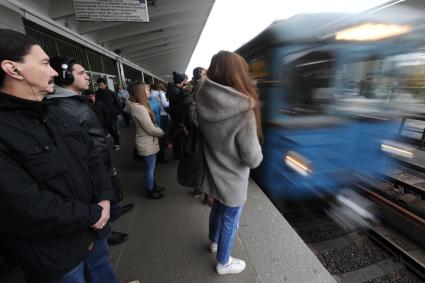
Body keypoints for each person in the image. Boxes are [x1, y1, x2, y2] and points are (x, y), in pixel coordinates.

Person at [0, 29, 117, 283]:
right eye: (44, 63)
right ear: (13, 69)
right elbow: (24, 206)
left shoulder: (56, 113)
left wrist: (105, 199)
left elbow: (94, 159)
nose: (54, 72)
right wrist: (94, 214)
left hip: (94, 234)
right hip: (56, 257)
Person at [48, 56, 133, 246]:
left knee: (109, 194)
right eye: (81, 73)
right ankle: (105, 232)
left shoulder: (74, 101)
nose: (88, 77)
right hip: (93, 167)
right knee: (99, 200)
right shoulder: (62, 106)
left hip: (99, 162)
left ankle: (115, 211)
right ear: (65, 77)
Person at [196, 51, 263, 275]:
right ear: (237, 74)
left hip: (212, 169)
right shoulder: (243, 110)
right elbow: (252, 158)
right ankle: (223, 262)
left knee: (217, 207)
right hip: (233, 177)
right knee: (230, 218)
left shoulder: (202, 98)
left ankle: (214, 242)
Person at [126, 83, 165, 199]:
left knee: (150, 168)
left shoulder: (139, 105)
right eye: (146, 90)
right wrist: (162, 133)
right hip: (147, 142)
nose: (149, 92)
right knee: (149, 169)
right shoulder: (140, 108)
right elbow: (150, 128)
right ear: (140, 92)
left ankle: (154, 186)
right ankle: (150, 191)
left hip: (147, 141)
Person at [96, 77, 122, 150]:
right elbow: (97, 104)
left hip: (112, 114)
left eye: (101, 85)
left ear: (106, 84)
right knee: (109, 128)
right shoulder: (97, 93)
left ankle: (117, 143)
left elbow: (118, 103)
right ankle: (115, 137)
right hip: (103, 114)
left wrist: (119, 112)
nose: (100, 87)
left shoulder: (111, 93)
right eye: (98, 85)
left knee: (113, 128)